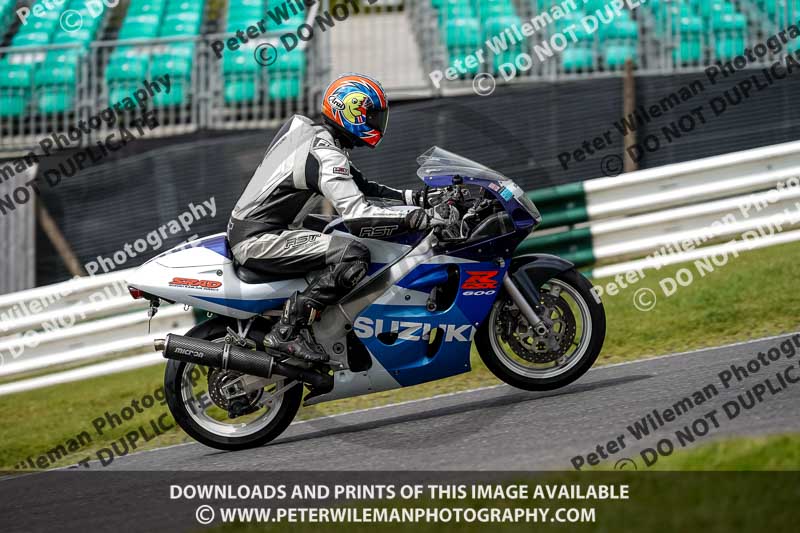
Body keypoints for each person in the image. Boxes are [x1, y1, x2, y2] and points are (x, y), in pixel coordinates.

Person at [227, 73, 441, 363]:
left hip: (266, 227)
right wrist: (418, 218)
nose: (378, 124)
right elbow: (359, 217)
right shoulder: (325, 154)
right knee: (353, 255)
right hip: (259, 239)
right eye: (372, 116)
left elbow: (364, 187)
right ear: (350, 112)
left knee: (335, 230)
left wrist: (418, 199)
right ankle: (288, 330)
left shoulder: (314, 136)